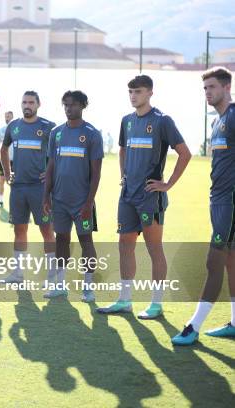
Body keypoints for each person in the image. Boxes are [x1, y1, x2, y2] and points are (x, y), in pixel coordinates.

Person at [97, 75, 191, 319]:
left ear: (150, 92)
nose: (133, 96)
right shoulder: (126, 121)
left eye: (137, 91)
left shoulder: (162, 121)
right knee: (124, 246)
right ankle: (124, 300)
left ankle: (156, 304)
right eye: (130, 92)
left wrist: (167, 184)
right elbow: (122, 150)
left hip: (151, 196)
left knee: (154, 248)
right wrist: (123, 176)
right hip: (127, 194)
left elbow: (185, 153)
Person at [172, 67, 235, 345]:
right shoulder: (216, 122)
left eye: (212, 87)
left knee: (214, 262)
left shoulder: (233, 117)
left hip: (231, 202)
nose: (208, 92)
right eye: (205, 88)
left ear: (227, 87)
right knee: (232, 263)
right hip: (219, 200)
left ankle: (193, 326)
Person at [42, 91, 103, 302]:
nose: (69, 108)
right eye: (66, 105)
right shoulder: (56, 133)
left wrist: (89, 202)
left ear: (83, 106)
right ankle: (60, 285)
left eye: (74, 105)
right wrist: (46, 196)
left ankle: (88, 288)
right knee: (61, 240)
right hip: (59, 199)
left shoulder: (92, 134)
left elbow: (96, 173)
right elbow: (51, 166)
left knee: (86, 240)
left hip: (82, 202)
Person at [0, 91, 56, 285]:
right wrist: (7, 173)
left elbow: (58, 153)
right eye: (24, 102)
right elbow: (3, 148)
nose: (27, 105)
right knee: (19, 230)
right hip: (18, 188)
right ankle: (17, 274)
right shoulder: (13, 126)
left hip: (40, 189)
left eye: (31, 102)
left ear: (38, 104)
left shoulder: (49, 127)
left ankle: (52, 276)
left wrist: (51, 173)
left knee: (46, 230)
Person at [0, 111, 14, 207]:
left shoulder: (16, 130)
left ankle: (14, 202)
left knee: (13, 182)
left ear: (12, 117)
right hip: (3, 160)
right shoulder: (1, 130)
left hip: (14, 160)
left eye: (9, 117)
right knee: (1, 180)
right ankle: (0, 200)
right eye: (6, 116)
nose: (7, 118)